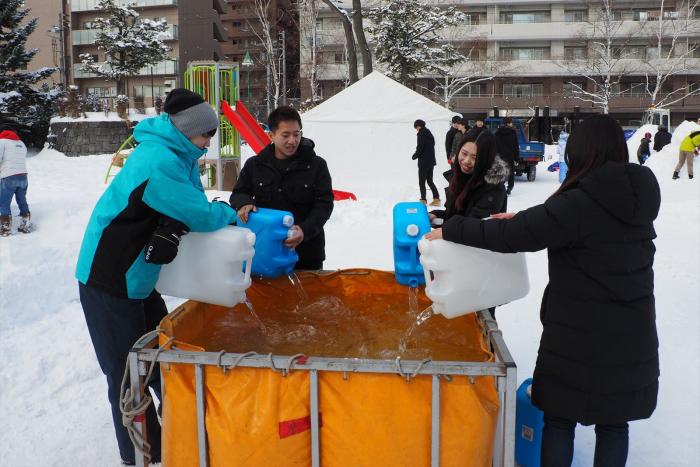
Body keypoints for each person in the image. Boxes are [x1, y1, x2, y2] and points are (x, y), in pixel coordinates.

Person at [425, 114, 660, 467]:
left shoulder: (581, 200)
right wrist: (521, 219)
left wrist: (454, 229)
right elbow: (558, 221)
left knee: (559, 418)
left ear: (583, 153)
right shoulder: (633, 194)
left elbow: (511, 238)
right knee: (614, 423)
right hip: (631, 332)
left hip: (579, 333)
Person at [76, 88, 238, 465]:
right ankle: (141, 453)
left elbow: (189, 203)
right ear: (184, 130)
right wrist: (228, 214)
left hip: (138, 276)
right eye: (205, 135)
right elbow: (197, 212)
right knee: (127, 370)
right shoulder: (159, 160)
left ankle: (178, 430)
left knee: (160, 354)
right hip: (110, 276)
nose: (208, 142)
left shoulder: (178, 153)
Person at [230, 106, 334, 270]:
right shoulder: (255, 165)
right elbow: (239, 193)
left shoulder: (316, 165)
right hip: (265, 254)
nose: (292, 140)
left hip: (306, 255)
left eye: (296, 134)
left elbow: (324, 204)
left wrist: (304, 230)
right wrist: (243, 203)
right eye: (285, 135)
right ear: (271, 135)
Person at [0, 124, 32, 236]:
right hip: (23, 176)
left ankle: (5, 229)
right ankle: (26, 225)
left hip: (9, 177)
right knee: (22, 200)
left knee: (3, 203)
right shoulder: (21, 143)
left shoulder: (2, 141)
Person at [410, 119, 441, 206]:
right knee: (430, 180)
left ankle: (423, 200)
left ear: (419, 126)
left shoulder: (421, 134)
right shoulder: (429, 133)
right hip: (431, 161)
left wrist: (415, 156)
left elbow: (420, 148)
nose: (416, 129)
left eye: (416, 127)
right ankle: (436, 198)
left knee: (421, 181)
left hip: (424, 162)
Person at [494, 117, 520, 195]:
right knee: (511, 173)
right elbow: (515, 147)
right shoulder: (513, 133)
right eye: (511, 123)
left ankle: (500, 187)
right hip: (510, 156)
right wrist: (517, 158)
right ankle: (509, 188)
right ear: (509, 123)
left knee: (500, 172)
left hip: (500, 157)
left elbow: (494, 146)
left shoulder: (497, 133)